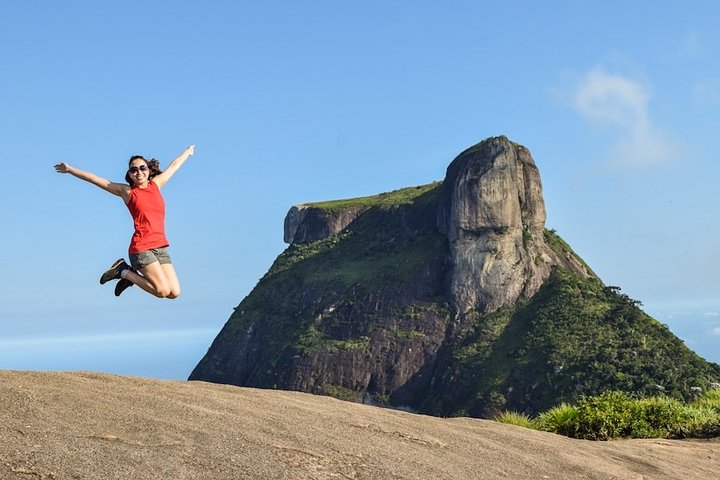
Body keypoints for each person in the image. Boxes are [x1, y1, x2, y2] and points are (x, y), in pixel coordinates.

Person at [54, 145, 195, 298]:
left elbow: (174, 165)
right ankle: (124, 271)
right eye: (134, 170)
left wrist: (187, 153)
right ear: (130, 174)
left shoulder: (156, 185)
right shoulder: (128, 192)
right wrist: (70, 169)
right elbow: (95, 179)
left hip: (160, 246)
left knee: (174, 293)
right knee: (162, 291)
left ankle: (128, 274)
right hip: (142, 247)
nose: (139, 172)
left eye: (142, 168)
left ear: (148, 170)